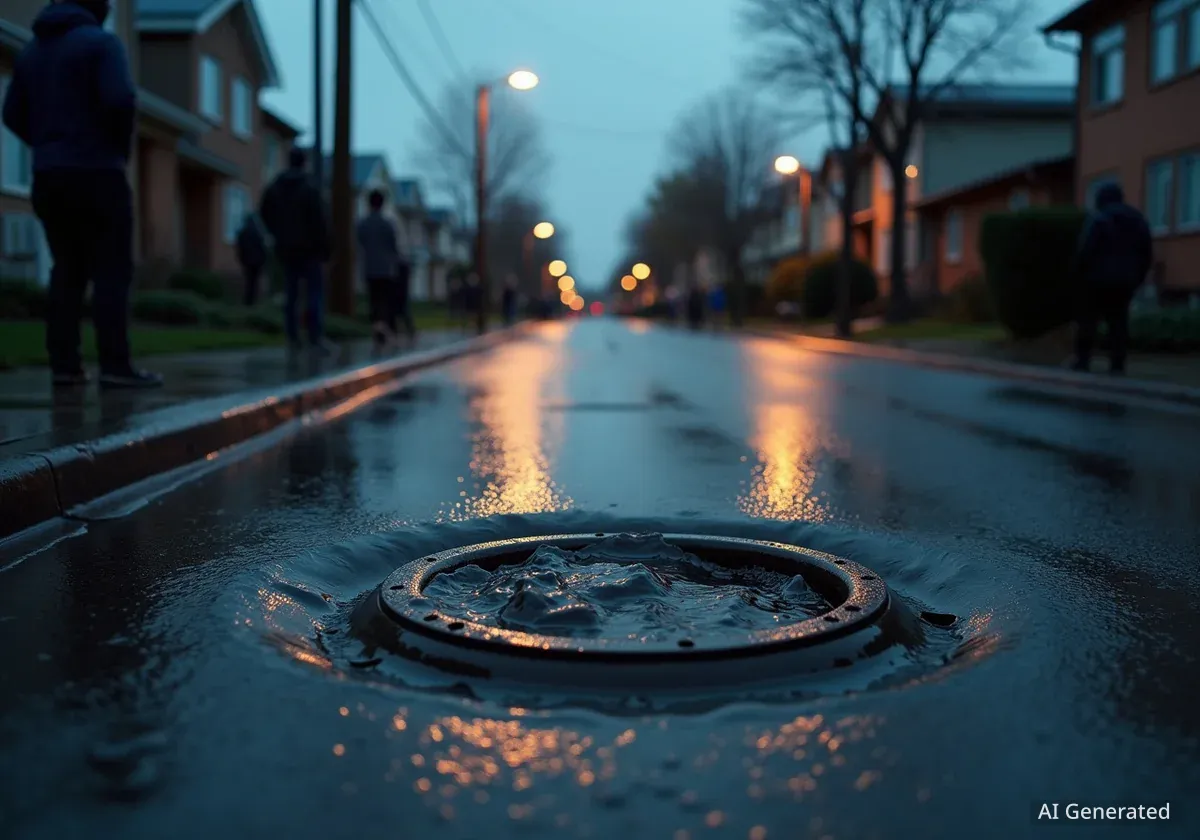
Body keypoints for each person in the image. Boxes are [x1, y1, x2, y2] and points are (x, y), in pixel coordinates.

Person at [2, 0, 161, 389]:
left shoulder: (32, 53)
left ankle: (65, 366)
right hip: (97, 171)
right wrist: (117, 149)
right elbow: (121, 99)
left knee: (66, 269)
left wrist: (47, 145)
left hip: (49, 176)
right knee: (111, 269)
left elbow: (11, 114)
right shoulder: (101, 44)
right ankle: (115, 366)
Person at [1071, 183, 1153, 375]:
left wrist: (1079, 276)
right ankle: (1117, 365)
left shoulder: (1098, 219)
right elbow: (1146, 253)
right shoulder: (1137, 219)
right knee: (1119, 322)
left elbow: (1086, 250)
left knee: (1088, 321)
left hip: (1096, 281)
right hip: (1125, 281)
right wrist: (1137, 278)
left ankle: (1083, 361)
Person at [260, 147, 331, 354]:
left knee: (291, 293)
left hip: (287, 249)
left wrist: (278, 234)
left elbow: (264, 213)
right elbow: (320, 221)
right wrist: (325, 247)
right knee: (314, 292)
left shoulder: (275, 188)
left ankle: (292, 336)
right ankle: (314, 336)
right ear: (304, 162)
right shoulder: (310, 188)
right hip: (310, 250)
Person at [355, 189, 400, 350]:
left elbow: (360, 242)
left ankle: (377, 329)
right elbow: (394, 246)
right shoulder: (387, 224)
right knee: (385, 300)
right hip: (386, 269)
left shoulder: (363, 224)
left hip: (370, 268)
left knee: (373, 300)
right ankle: (385, 328)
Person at [236, 213, 268, 307]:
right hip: (256, 262)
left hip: (247, 262)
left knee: (249, 281)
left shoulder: (243, 233)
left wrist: (242, 258)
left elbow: (240, 248)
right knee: (254, 281)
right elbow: (262, 248)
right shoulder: (257, 233)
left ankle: (248, 300)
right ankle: (252, 300)